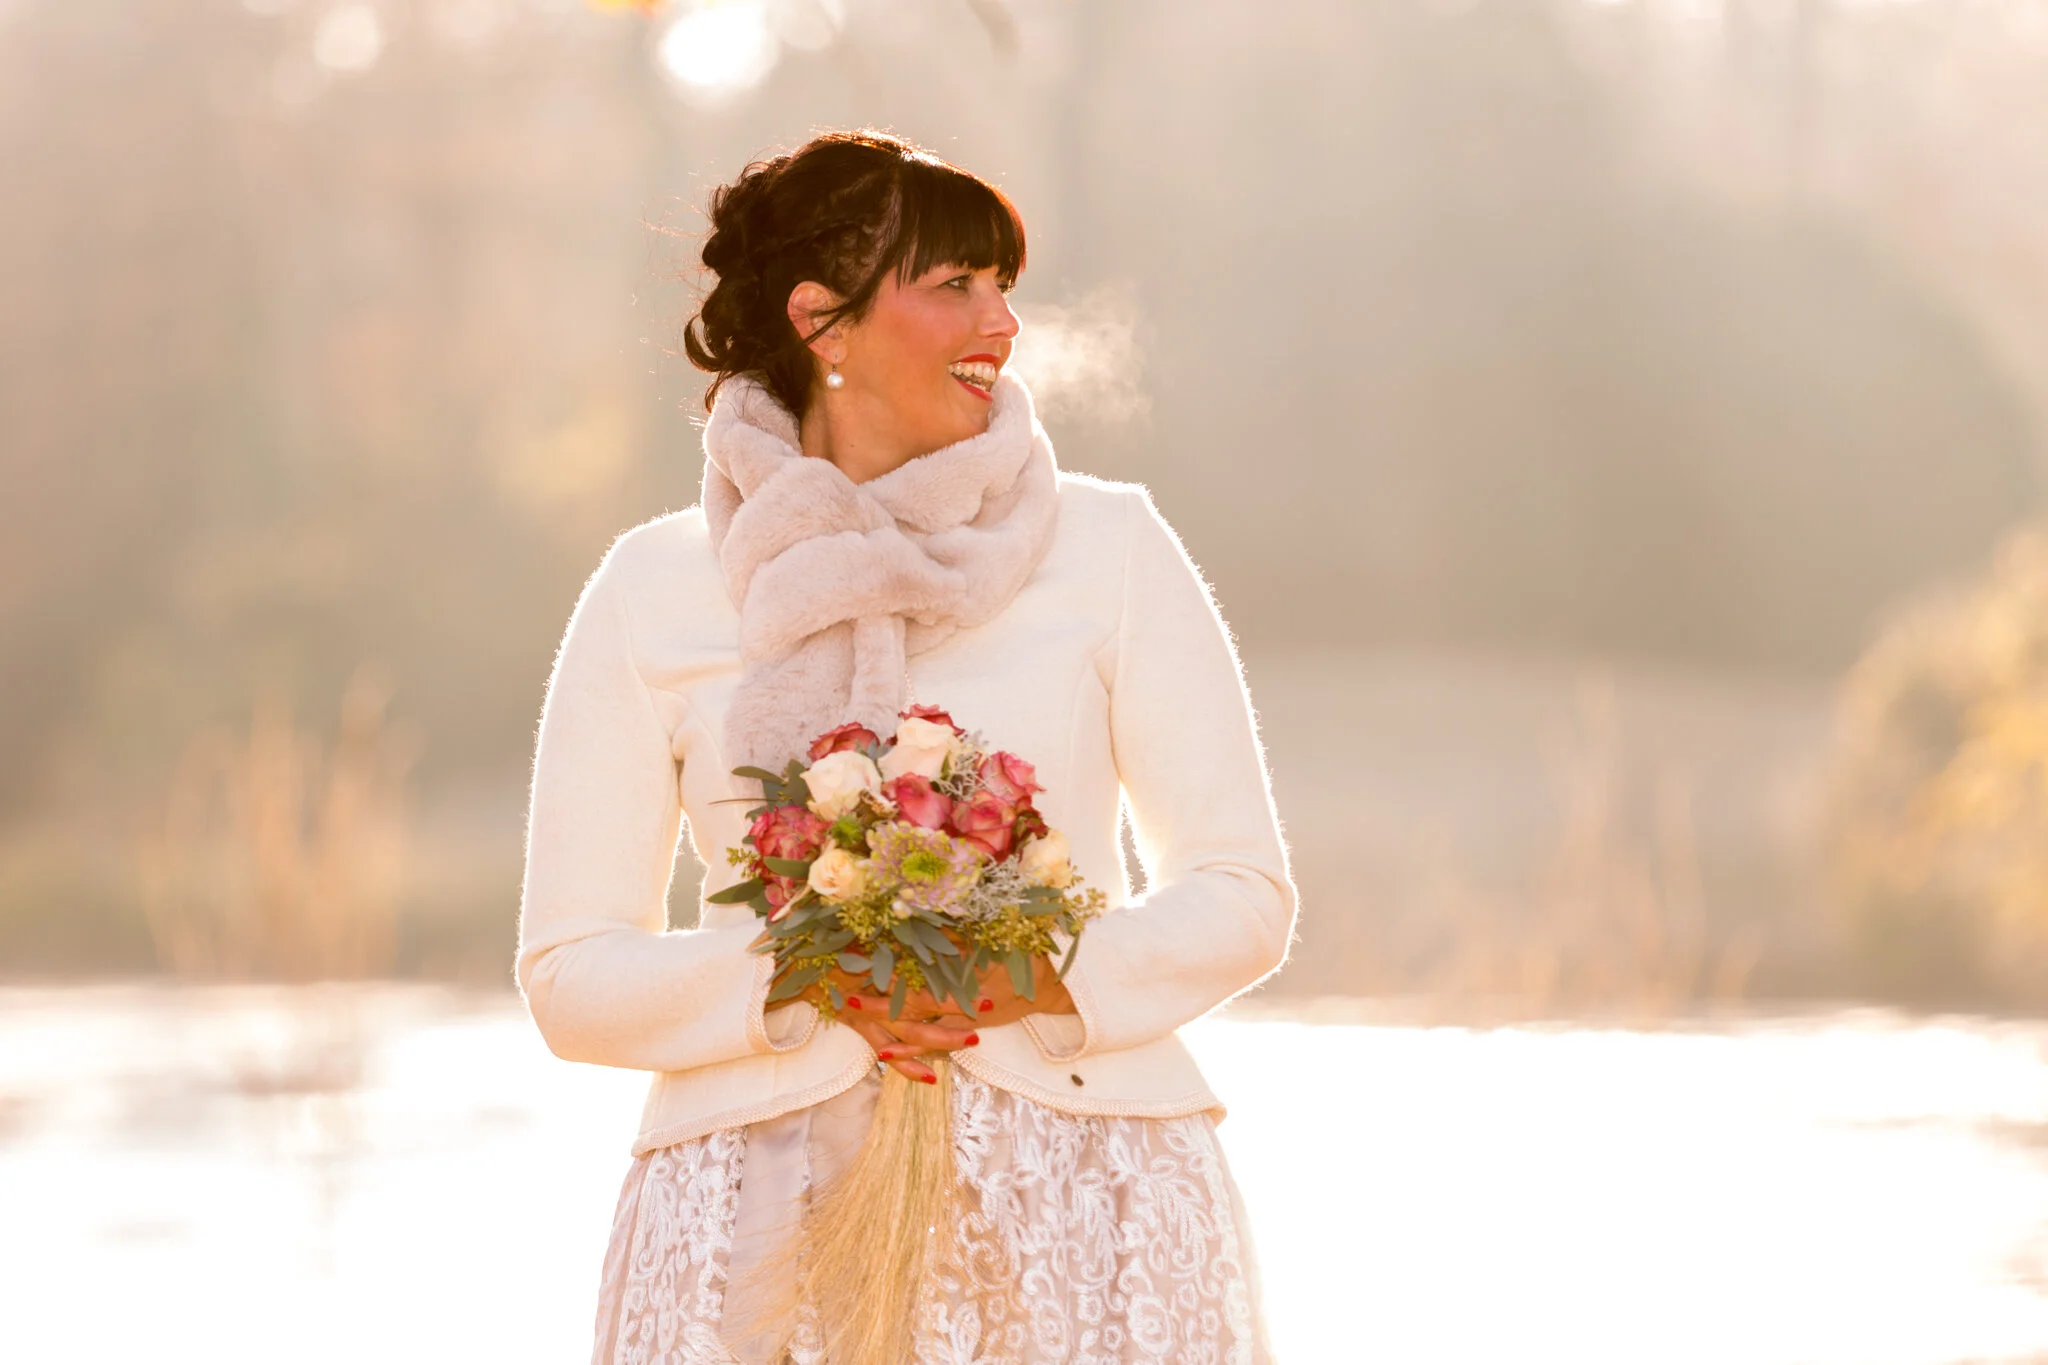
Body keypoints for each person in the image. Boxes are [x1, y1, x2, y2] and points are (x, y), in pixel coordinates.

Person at [515, 128, 1297, 1365]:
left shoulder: (1110, 549)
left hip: (1084, 1197)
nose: (1003, 322)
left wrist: (1031, 976)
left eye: (1004, 286)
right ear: (822, 323)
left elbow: (1243, 894)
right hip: (751, 1221)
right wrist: (800, 979)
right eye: (954, 286)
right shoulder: (650, 588)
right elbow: (567, 974)